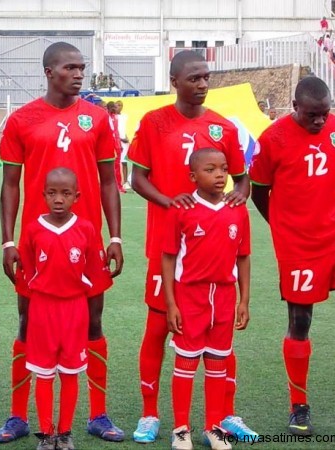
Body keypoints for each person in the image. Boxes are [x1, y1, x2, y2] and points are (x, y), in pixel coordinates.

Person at [0, 41, 124, 444]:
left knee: (92, 322)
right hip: (37, 245)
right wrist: (8, 240)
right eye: (70, 67)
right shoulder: (22, 120)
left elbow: (108, 181)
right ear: (49, 71)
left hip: (86, 243)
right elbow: (10, 185)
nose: (79, 73)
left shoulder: (98, 118)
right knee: (27, 322)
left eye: (81, 67)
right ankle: (19, 416)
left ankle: (98, 415)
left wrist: (114, 236)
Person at [128, 50, 254, 444]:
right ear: (174, 81)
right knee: (158, 326)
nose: (202, 85)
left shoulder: (222, 127)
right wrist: (170, 201)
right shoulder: (154, 122)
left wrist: (240, 196)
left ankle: (225, 414)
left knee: (220, 331)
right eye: (194, 78)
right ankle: (151, 413)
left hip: (213, 251)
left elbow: (242, 178)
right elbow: (136, 178)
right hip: (166, 247)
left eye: (206, 77)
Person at [250, 76, 335, 436]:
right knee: (300, 320)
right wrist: (280, 226)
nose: (320, 121)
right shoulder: (273, 139)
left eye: (324, 114)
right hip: (299, 245)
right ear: (295, 107)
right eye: (311, 115)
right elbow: (259, 190)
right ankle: (298, 405)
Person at [163, 148, 250, 450]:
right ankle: (181, 430)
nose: (220, 175)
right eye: (211, 170)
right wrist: (171, 303)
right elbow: (169, 256)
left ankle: (214, 429)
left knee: (217, 365)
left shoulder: (237, 208)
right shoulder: (181, 208)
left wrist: (244, 300)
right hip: (190, 296)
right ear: (193, 176)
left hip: (225, 297)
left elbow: (244, 256)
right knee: (186, 365)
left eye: (224, 169)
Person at [20, 167, 97, 450]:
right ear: (43, 195)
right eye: (52, 193)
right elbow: (28, 272)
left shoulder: (86, 229)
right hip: (43, 309)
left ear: (76, 196)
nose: (58, 199)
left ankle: (64, 433)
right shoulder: (32, 229)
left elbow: (91, 273)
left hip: (75, 310)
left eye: (65, 193)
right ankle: (46, 433)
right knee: (43, 373)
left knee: (70, 372)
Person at [115, 100, 131, 190]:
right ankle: (117, 182)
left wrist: (126, 138)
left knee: (124, 162)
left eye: (120, 105)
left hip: (124, 141)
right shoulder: (113, 117)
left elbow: (123, 129)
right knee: (116, 163)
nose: (119, 107)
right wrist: (121, 139)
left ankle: (125, 182)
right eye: (117, 105)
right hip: (117, 141)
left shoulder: (124, 116)